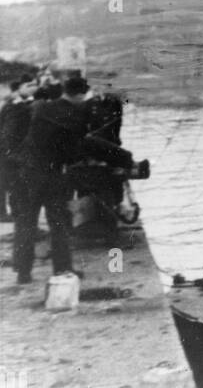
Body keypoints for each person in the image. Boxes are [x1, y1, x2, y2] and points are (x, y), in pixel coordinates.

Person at [12, 74, 135, 286]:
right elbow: (85, 145)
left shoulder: (43, 107)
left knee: (25, 224)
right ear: (80, 95)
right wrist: (124, 157)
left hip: (26, 175)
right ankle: (62, 269)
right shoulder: (74, 115)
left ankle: (23, 273)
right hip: (51, 176)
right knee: (59, 223)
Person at [0, 77, 36, 219]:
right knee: (10, 183)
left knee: (13, 185)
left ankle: (13, 214)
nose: (33, 87)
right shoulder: (11, 105)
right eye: (29, 85)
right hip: (10, 152)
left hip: (14, 151)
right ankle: (8, 214)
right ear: (19, 88)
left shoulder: (22, 104)